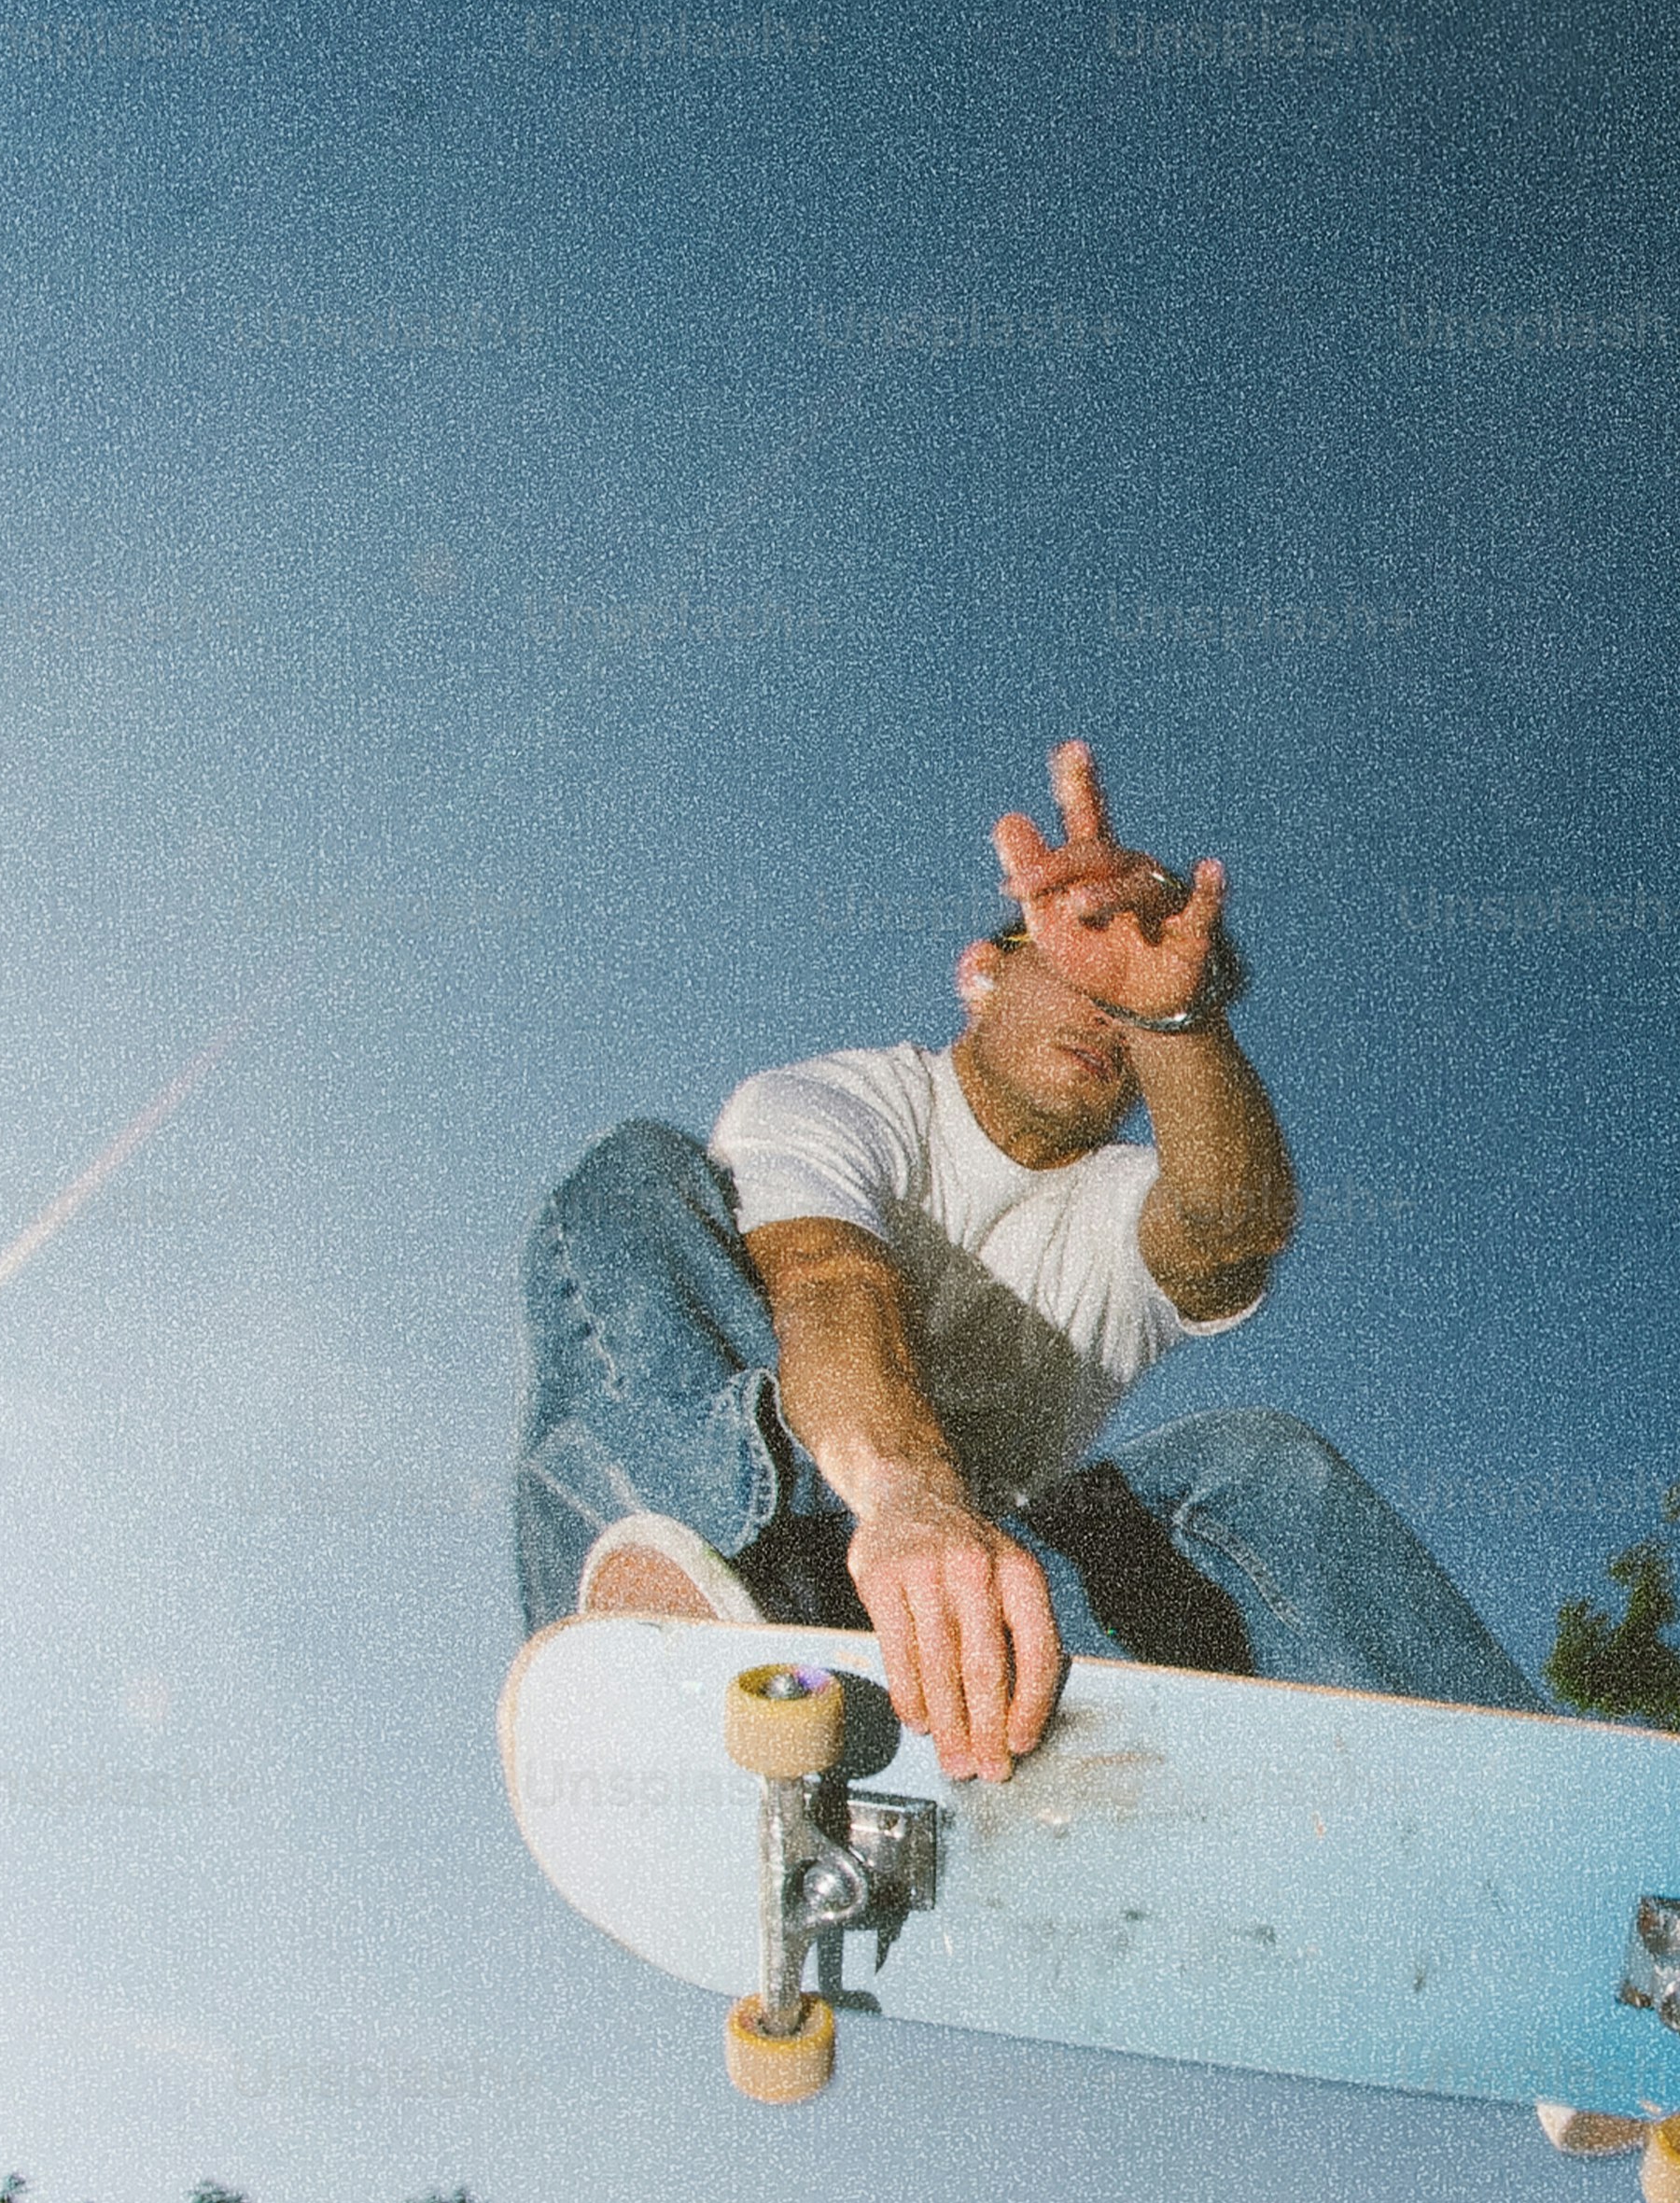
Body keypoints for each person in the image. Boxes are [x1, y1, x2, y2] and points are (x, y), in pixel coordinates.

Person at [511, 737, 1534, 1783]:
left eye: (1127, 1009)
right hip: (761, 1531)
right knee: (635, 1174)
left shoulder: (1117, 1204)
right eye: (1075, 966)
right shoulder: (852, 1102)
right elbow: (827, 1283)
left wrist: (1174, 1018)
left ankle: (1522, 1792)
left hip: (994, 1618)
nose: (1105, 1021)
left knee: (1259, 1467)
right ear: (982, 973)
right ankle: (680, 1628)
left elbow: (1228, 1227)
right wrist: (909, 1498)